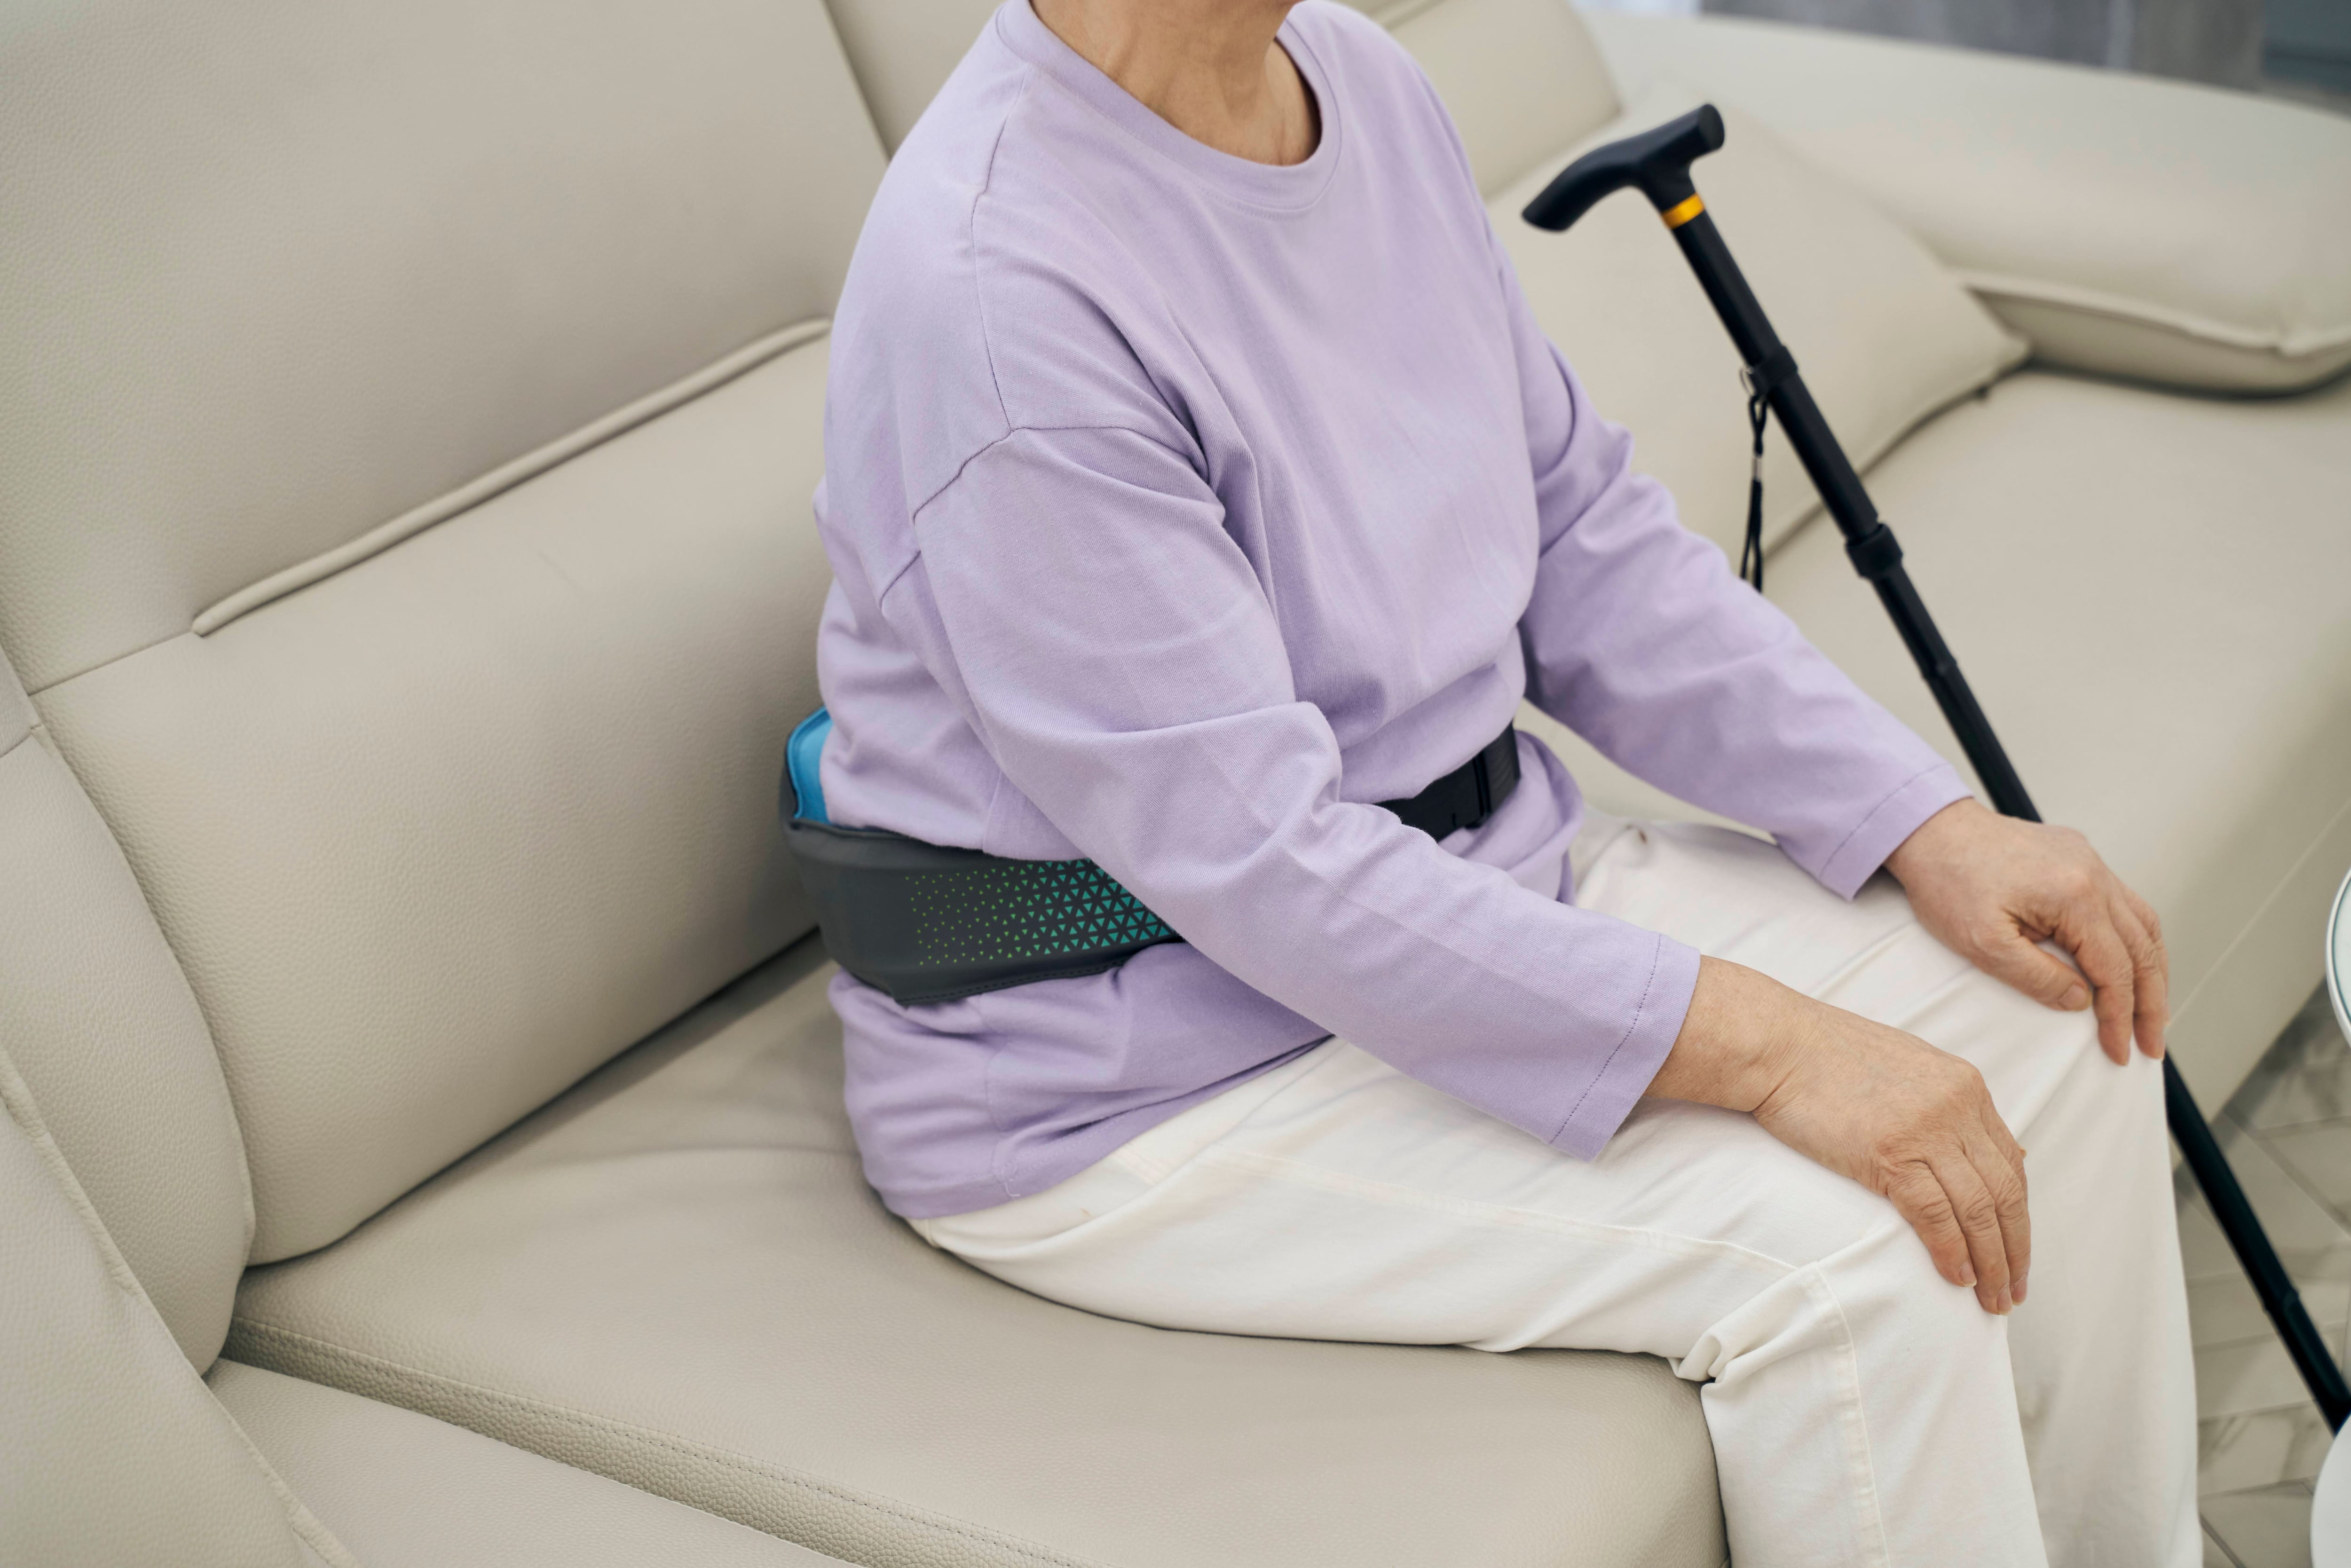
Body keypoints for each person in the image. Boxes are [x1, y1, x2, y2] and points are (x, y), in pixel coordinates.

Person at [807, 1, 2196, 1561]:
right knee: (1858, 1258)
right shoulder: (1000, 293)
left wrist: (1921, 820)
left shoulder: (1364, 87)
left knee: (2069, 1012)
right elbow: (1266, 867)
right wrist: (1776, 1048)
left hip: (1470, 883)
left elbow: (1580, 541)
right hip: (1138, 1070)